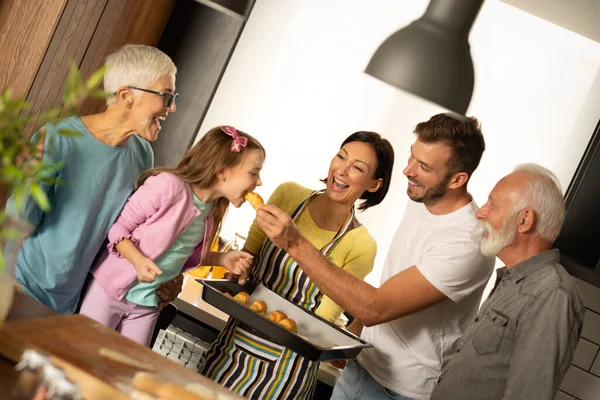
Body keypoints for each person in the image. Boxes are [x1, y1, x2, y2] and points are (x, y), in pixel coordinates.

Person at [256, 113, 495, 400]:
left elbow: (375, 308)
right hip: (362, 367)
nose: (408, 171)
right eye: (411, 156)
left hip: (403, 391)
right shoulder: (424, 197)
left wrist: (295, 243)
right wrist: (354, 332)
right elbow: (392, 291)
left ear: (457, 179)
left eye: (423, 166)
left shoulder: (468, 242)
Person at [201, 131, 395, 399]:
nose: (342, 170)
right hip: (233, 344)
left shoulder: (361, 245)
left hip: (286, 371)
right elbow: (246, 261)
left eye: (358, 168)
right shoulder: (288, 195)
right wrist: (235, 270)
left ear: (373, 185)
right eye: (341, 157)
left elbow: (323, 322)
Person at [8, 44, 182, 314]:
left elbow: (122, 234)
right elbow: (17, 220)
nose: (171, 108)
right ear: (126, 96)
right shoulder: (57, 138)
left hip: (67, 306)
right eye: (166, 96)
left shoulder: (142, 155)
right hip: (19, 287)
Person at [79, 126, 264, 346]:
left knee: (127, 371)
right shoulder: (167, 186)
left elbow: (180, 254)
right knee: (80, 352)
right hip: (109, 292)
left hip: (148, 305)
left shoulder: (211, 213)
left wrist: (222, 259)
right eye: (253, 173)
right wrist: (138, 260)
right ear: (222, 171)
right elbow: (118, 230)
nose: (259, 182)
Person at [430, 163, 584, 400]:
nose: (480, 212)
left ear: (524, 220)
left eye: (493, 204)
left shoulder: (552, 294)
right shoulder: (513, 281)